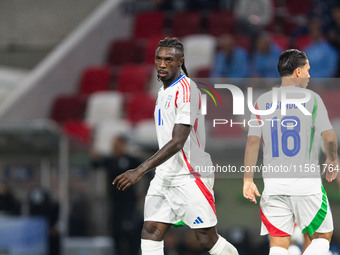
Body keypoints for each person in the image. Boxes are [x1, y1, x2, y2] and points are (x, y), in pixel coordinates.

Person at [113, 37, 238, 255]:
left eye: (168, 59)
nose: (162, 64)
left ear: (180, 61)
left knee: (206, 238)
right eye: (158, 59)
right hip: (165, 175)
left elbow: (178, 141)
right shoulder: (163, 92)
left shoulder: (187, 90)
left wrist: (140, 170)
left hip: (190, 174)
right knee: (151, 230)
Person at [243, 49, 338, 255]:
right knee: (322, 238)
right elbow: (328, 136)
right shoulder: (312, 99)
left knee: (278, 246)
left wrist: (247, 180)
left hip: (274, 186)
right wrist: (332, 159)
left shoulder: (261, 101)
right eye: (307, 70)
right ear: (297, 72)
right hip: (306, 185)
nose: (309, 75)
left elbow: (252, 142)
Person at [91, 135, 143, 255]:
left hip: (130, 204)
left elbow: (146, 170)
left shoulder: (132, 160)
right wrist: (93, 156)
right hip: (115, 203)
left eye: (118, 145)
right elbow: (95, 165)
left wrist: (143, 190)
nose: (116, 148)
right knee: (116, 234)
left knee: (132, 233)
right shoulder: (109, 160)